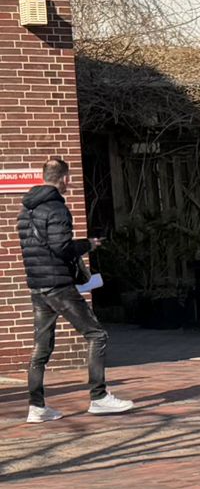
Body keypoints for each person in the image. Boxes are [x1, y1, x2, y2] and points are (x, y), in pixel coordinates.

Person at [19, 157, 130, 422]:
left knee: (41, 347)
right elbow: (62, 248)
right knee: (97, 335)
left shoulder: (26, 211)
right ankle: (99, 397)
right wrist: (87, 245)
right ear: (65, 178)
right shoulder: (56, 208)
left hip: (38, 287)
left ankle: (37, 407)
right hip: (59, 286)